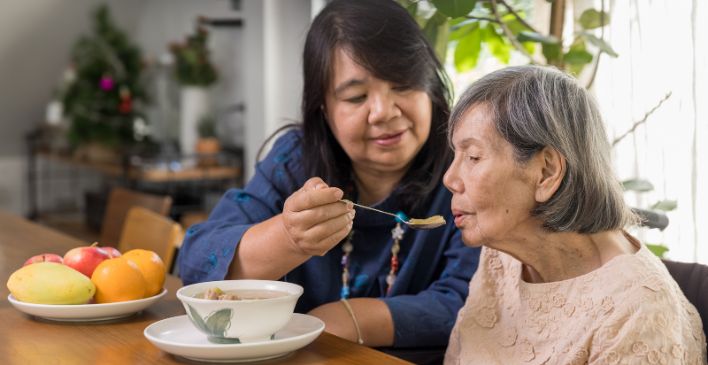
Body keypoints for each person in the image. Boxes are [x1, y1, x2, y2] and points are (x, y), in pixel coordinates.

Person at [177, 0, 481, 352]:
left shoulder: (466, 167)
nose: (383, 112)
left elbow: (469, 301)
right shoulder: (295, 159)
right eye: (356, 97)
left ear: (429, 85)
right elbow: (197, 262)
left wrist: (346, 320)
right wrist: (289, 238)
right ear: (323, 108)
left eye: (402, 85)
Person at [443, 65, 706, 364]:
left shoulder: (637, 314)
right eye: (456, 155)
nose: (449, 178)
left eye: (473, 157)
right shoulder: (502, 258)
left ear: (546, 172)